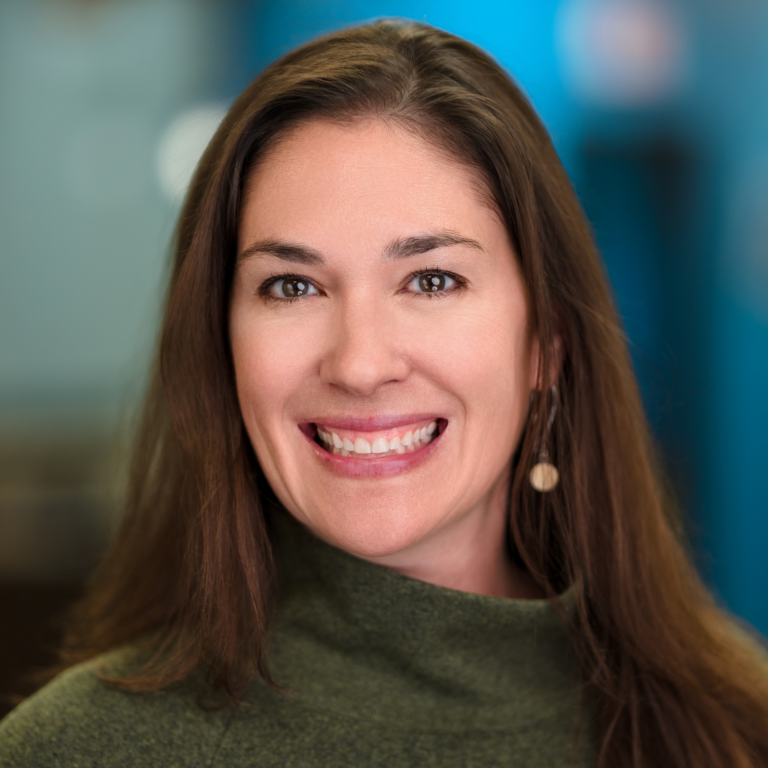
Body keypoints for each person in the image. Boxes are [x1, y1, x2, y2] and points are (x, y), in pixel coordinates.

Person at [1, 19, 767, 768]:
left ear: (547, 345)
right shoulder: (74, 751)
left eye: (431, 280)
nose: (361, 364)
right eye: (292, 285)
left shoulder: (736, 723)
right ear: (221, 348)